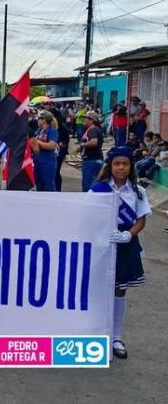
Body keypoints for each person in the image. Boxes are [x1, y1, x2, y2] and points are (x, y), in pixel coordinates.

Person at [89, 147, 151, 360]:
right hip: (102, 247)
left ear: (131, 166)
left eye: (125, 164)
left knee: (119, 291)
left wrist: (128, 235)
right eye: (117, 164)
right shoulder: (98, 189)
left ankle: (116, 336)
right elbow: (87, 215)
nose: (121, 168)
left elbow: (141, 219)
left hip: (125, 246)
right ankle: (98, 334)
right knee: (99, 291)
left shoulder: (137, 191)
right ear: (110, 166)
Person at [31, 112, 58, 192]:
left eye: (39, 119)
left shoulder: (52, 131)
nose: (37, 121)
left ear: (44, 120)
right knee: (39, 185)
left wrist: (37, 142)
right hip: (37, 161)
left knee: (48, 185)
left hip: (47, 162)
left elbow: (52, 145)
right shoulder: (39, 130)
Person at [79, 111, 104, 192]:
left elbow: (94, 142)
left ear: (92, 120)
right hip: (94, 159)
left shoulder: (93, 130)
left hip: (91, 160)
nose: (84, 120)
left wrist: (82, 145)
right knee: (93, 183)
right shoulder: (92, 129)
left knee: (88, 185)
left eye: (86, 118)